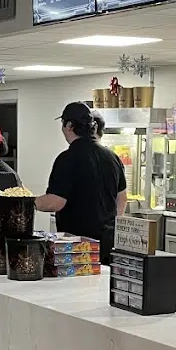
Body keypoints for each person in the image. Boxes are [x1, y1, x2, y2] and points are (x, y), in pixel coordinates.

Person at [35, 102, 128, 264]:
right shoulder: (112, 157)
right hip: (108, 244)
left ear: (69, 126)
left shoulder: (67, 159)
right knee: (103, 279)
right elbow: (122, 199)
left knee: (81, 281)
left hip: (78, 246)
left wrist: (27, 202)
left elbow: (55, 202)